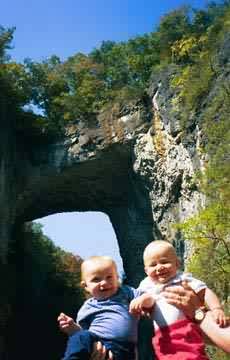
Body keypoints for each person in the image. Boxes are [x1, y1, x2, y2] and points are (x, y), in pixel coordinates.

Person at [129, 240, 230, 359]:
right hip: (162, 334)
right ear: (146, 271)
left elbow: (205, 292)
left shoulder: (183, 279)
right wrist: (140, 301)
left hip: (186, 327)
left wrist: (216, 308)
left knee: (192, 354)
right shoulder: (146, 285)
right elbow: (149, 301)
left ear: (177, 264)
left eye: (164, 262)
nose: (159, 267)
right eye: (153, 265)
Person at [58, 256, 144, 360]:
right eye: (96, 279)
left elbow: (146, 296)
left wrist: (141, 300)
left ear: (117, 278)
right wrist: (73, 328)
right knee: (81, 337)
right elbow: (84, 333)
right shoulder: (87, 307)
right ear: (86, 286)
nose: (104, 282)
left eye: (109, 277)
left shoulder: (125, 292)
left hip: (122, 347)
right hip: (97, 342)